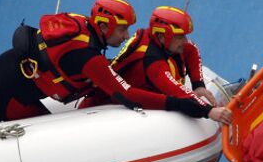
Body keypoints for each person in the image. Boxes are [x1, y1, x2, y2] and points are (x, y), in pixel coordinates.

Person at [0, 0, 231, 126]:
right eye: (121, 30)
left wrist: (196, 84)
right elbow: (128, 95)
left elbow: (190, 50)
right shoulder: (87, 56)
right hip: (6, 92)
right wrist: (197, 109)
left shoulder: (84, 30)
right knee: (40, 139)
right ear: (103, 27)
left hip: (9, 79)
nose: (126, 35)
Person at [80, 6, 227, 120]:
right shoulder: (152, 63)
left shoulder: (155, 38)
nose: (185, 41)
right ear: (162, 37)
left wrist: (198, 85)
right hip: (102, 104)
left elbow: (191, 49)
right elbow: (177, 93)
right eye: (180, 37)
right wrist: (209, 111)